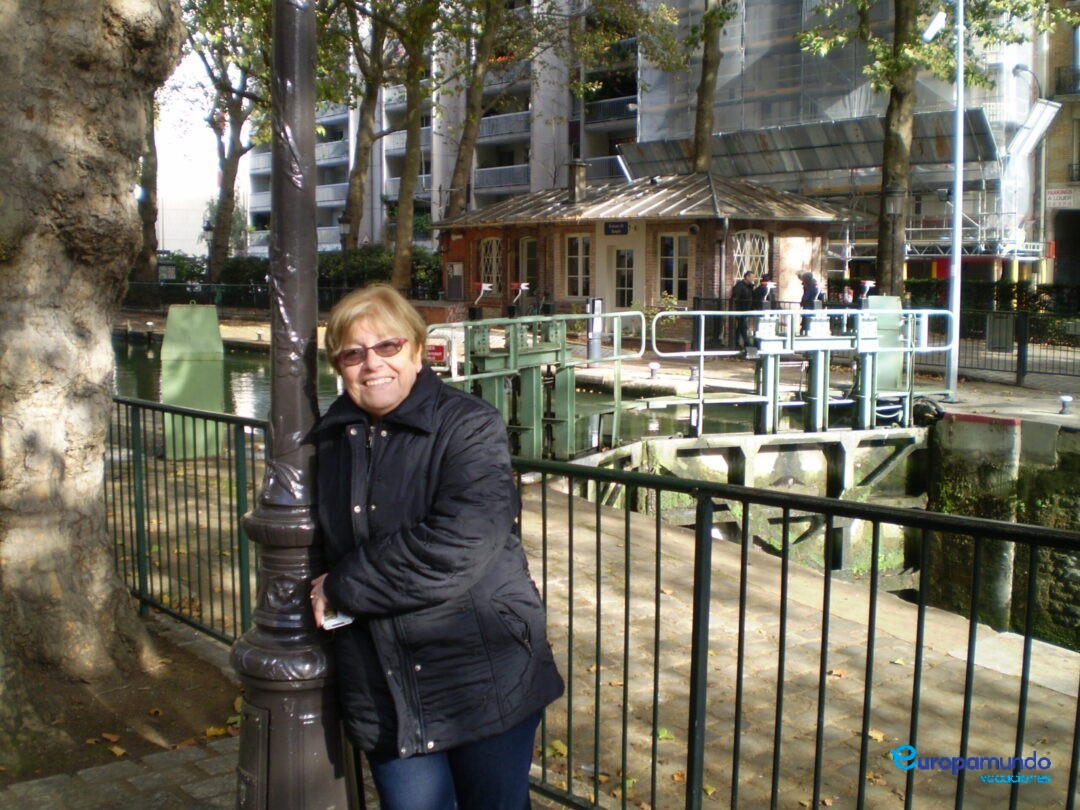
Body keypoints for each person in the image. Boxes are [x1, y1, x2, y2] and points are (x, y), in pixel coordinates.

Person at [308, 284, 564, 810]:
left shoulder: (468, 425)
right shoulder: (331, 439)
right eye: (353, 353)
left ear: (419, 351)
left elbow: (461, 543)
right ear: (338, 364)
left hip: (480, 676)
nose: (372, 364)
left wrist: (343, 586)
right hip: (384, 684)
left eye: (388, 347)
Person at [730, 270, 755, 349]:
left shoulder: (749, 286)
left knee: (740, 327)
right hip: (740, 309)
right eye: (752, 277)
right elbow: (735, 298)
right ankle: (747, 343)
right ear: (747, 277)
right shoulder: (740, 285)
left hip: (746, 309)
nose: (753, 279)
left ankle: (736, 344)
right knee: (743, 326)